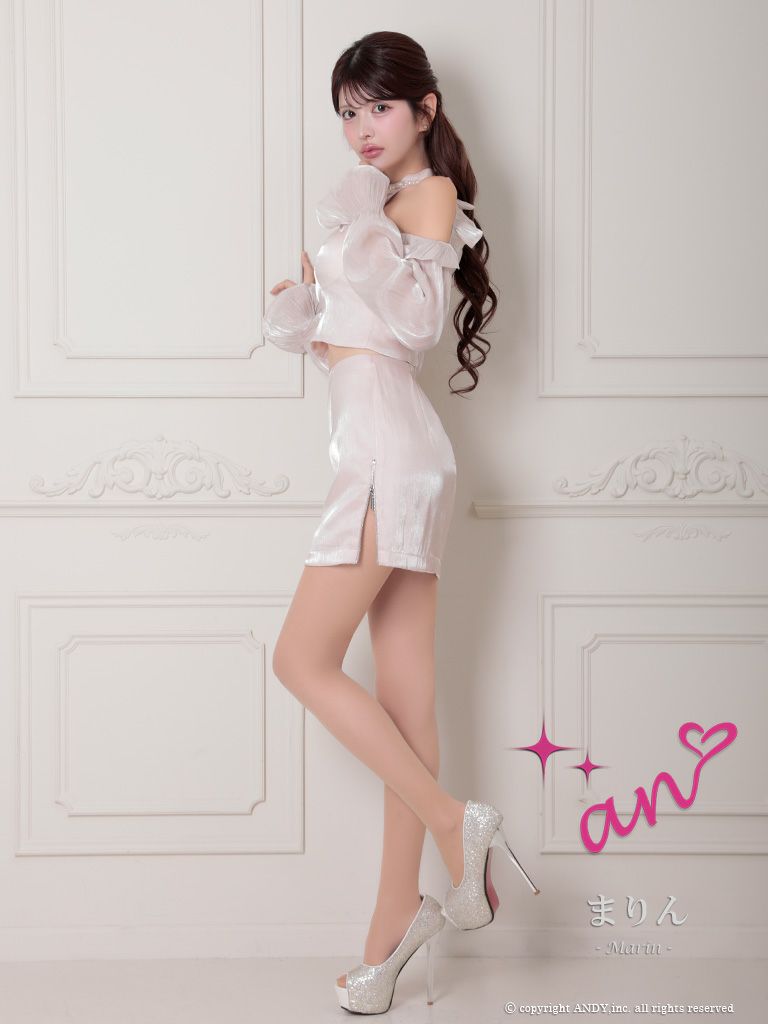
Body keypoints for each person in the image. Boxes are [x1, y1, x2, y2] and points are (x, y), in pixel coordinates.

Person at [262, 30, 538, 1015]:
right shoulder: (382, 204)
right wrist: (304, 309)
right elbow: (359, 339)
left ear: (425, 109)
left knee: (300, 661)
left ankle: (455, 822)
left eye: (378, 105)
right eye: (347, 111)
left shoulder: (424, 196)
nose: (361, 127)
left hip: (386, 454)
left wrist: (360, 224)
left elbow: (417, 323)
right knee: (408, 703)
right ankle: (388, 942)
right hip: (392, 445)